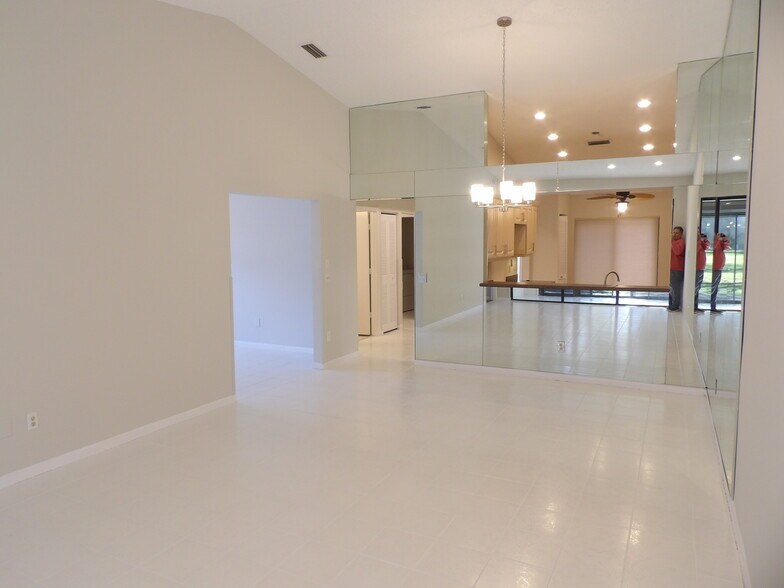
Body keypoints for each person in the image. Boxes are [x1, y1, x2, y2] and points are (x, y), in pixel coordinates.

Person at [711, 232, 731, 312]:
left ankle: (713, 306)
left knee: (715, 287)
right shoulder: (715, 243)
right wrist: (718, 240)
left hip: (719, 268)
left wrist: (724, 240)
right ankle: (712, 307)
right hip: (715, 268)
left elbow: (727, 247)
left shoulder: (719, 242)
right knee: (714, 287)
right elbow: (715, 247)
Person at [669, 226, 686, 311]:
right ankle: (672, 304)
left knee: (675, 288)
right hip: (671, 267)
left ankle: (675, 305)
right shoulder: (673, 242)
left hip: (677, 268)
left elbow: (677, 251)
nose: (674, 234)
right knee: (672, 287)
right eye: (673, 232)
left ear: (681, 234)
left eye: (676, 233)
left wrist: (672, 242)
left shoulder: (681, 242)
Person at [695, 232, 710, 311]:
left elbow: (707, 247)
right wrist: (698, 241)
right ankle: (693, 306)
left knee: (698, 287)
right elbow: (695, 251)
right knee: (695, 287)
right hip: (696, 268)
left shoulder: (700, 242)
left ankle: (695, 305)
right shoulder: (694, 243)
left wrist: (704, 240)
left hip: (701, 267)